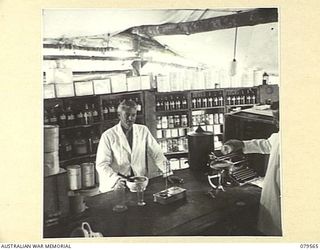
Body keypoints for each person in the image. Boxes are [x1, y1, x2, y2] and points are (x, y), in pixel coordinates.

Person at [221, 101, 281, 236]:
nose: (275, 123)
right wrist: (241, 144)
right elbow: (268, 144)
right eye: (274, 118)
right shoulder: (280, 135)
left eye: (278, 119)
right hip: (273, 189)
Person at [96, 99, 178, 193]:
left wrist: (167, 172)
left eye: (133, 115)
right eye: (127, 115)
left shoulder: (143, 130)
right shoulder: (108, 136)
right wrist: (116, 180)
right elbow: (102, 164)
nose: (130, 118)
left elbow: (157, 153)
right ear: (119, 115)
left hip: (138, 182)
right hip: (117, 185)